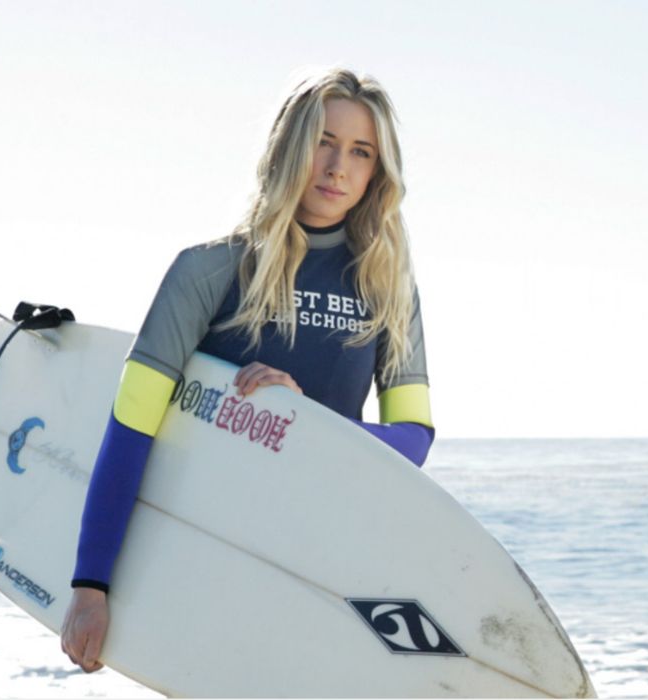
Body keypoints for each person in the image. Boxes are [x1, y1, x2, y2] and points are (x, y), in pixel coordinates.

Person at [59, 68, 434, 673]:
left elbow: (414, 441)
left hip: (326, 558)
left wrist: (302, 421)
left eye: (360, 152)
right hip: (212, 548)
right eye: (323, 141)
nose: (338, 166)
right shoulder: (207, 271)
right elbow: (130, 432)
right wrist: (90, 585)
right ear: (290, 146)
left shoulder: (387, 289)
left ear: (376, 172)